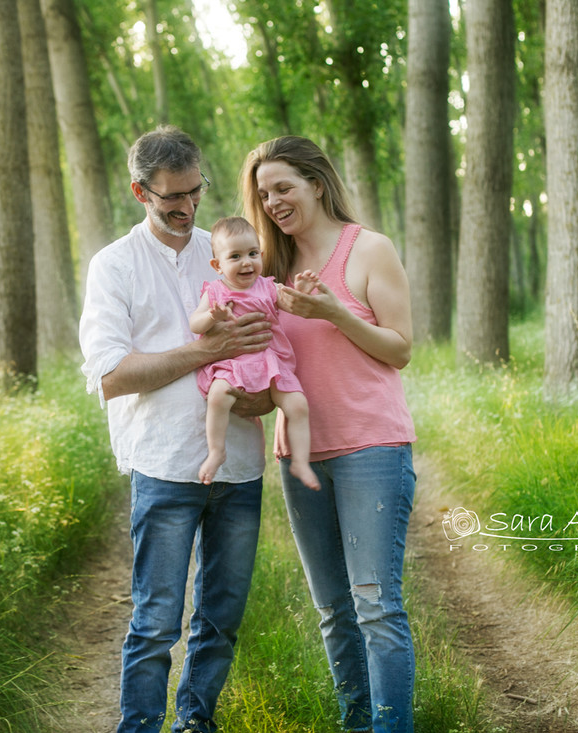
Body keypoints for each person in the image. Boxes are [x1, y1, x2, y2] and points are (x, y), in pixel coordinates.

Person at [79, 125, 273, 733]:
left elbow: (269, 355)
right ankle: (139, 727)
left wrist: (261, 397)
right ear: (141, 192)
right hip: (164, 467)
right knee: (156, 619)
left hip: (240, 465)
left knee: (220, 616)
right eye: (171, 198)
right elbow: (110, 375)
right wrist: (204, 351)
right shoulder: (114, 266)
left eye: (195, 191)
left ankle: (196, 720)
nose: (187, 207)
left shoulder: (227, 253)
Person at [240, 135, 418, 733]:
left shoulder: (368, 250)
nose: (273, 202)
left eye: (283, 187)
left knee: (375, 607)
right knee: (334, 610)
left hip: (372, 447)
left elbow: (400, 349)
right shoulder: (267, 270)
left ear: (317, 182)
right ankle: (356, 722)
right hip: (303, 458)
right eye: (264, 194)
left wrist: (333, 313)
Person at [189, 216, 320, 490]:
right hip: (234, 364)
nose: (246, 262)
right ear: (218, 265)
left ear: (260, 254)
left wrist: (303, 292)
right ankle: (216, 451)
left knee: (298, 405)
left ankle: (301, 461)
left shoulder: (268, 286)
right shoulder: (216, 292)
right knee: (218, 398)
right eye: (235, 256)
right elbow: (195, 323)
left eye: (252, 253)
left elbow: (293, 304)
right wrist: (212, 316)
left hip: (271, 362)